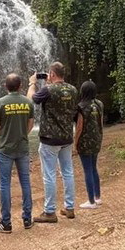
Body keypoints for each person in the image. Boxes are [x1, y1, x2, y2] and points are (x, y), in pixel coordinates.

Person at [27, 62, 78, 222]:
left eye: (49, 74)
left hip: (50, 139)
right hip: (67, 137)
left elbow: (30, 101)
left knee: (49, 174)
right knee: (67, 172)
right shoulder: (73, 89)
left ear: (52, 74)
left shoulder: (47, 90)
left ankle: (49, 211)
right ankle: (69, 207)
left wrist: (32, 83)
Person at [0, 73, 35, 233]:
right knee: (25, 182)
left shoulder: (0, 103)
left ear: (5, 86)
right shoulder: (27, 102)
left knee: (5, 185)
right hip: (22, 148)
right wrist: (21, 135)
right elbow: (31, 124)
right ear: (20, 86)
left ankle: (6, 222)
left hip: (5, 149)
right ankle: (28, 219)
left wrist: (5, 137)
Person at [74, 80, 104, 209]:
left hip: (85, 141)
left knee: (88, 170)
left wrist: (75, 143)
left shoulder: (81, 106)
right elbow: (101, 122)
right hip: (96, 139)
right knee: (93, 168)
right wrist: (100, 135)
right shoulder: (99, 104)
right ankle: (98, 197)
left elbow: (79, 127)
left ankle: (91, 202)